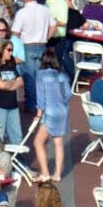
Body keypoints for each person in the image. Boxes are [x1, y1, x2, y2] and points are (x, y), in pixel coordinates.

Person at [33, 48, 72, 182]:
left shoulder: (40, 75)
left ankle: (45, 173)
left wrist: (38, 115)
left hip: (49, 112)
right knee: (59, 143)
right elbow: (68, 94)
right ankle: (57, 174)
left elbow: (41, 97)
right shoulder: (62, 74)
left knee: (38, 142)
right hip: (63, 111)